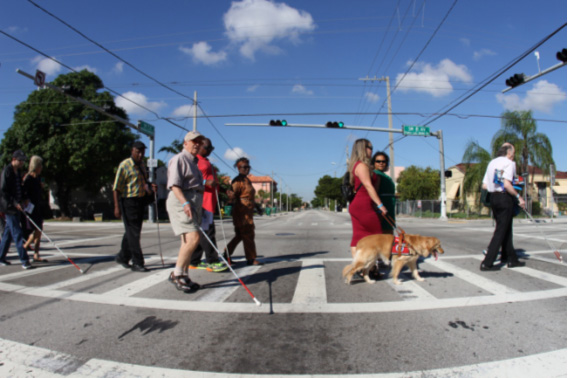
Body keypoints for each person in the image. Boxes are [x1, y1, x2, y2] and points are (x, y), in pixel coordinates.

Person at [165, 131, 205, 292]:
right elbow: (174, 185)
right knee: (194, 237)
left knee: (187, 241)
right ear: (185, 143)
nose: (197, 144)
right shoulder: (179, 159)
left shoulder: (194, 162)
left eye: (199, 142)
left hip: (193, 201)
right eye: (193, 141)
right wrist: (185, 203)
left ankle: (184, 274)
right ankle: (177, 274)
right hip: (182, 201)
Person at [480, 143, 526, 271]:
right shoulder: (509, 163)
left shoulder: (492, 163)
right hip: (505, 198)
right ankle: (487, 263)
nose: (514, 155)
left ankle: (511, 259)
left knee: (506, 229)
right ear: (509, 152)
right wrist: (519, 197)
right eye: (514, 152)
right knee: (501, 230)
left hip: (494, 198)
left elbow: (485, 185)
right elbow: (507, 184)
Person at [113, 141, 156, 273]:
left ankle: (122, 256)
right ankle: (138, 262)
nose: (140, 154)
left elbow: (144, 183)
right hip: (128, 202)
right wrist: (117, 207)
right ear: (132, 151)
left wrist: (150, 187)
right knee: (134, 234)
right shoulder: (125, 165)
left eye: (142, 151)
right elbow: (116, 188)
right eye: (138, 151)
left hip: (140, 201)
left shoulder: (142, 165)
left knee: (132, 232)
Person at [189, 138, 227, 273]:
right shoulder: (195, 160)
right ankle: (212, 261)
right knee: (209, 233)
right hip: (203, 202)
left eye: (211, 148)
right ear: (199, 147)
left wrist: (223, 189)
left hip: (210, 201)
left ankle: (194, 261)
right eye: (207, 148)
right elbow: (191, 179)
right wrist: (206, 182)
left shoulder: (206, 162)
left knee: (201, 233)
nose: (210, 151)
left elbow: (213, 181)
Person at [348, 139, 387, 259]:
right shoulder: (362, 165)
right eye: (370, 147)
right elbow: (368, 186)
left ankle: (358, 266)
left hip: (359, 205)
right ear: (362, 149)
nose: (372, 150)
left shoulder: (357, 165)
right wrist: (380, 204)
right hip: (363, 206)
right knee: (377, 235)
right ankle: (372, 266)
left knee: (358, 236)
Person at [224, 157, 263, 266]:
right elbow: (233, 195)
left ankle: (226, 254)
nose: (246, 169)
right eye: (243, 167)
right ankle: (251, 258)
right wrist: (230, 197)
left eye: (248, 167)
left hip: (248, 210)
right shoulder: (238, 181)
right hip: (241, 211)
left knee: (240, 235)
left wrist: (258, 207)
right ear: (238, 168)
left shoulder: (247, 179)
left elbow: (250, 197)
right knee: (248, 234)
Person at [0, 150, 33, 269]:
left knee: (8, 234)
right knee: (18, 233)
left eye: (23, 161)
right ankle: (24, 260)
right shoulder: (7, 171)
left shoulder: (17, 172)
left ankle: (1, 257)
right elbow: (3, 191)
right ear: (13, 159)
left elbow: (20, 187)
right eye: (20, 160)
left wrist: (24, 198)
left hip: (17, 206)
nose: (22, 163)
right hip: (9, 208)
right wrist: (14, 203)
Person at [22, 156, 47, 262]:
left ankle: (36, 253)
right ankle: (25, 246)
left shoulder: (37, 178)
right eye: (40, 165)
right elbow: (23, 192)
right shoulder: (28, 178)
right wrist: (26, 199)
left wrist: (40, 187)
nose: (41, 168)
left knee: (39, 231)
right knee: (37, 229)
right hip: (30, 208)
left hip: (38, 206)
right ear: (36, 166)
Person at [372, 151, 396, 235]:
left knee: (388, 233)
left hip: (388, 207)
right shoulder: (377, 174)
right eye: (378, 161)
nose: (381, 163)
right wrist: (378, 207)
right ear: (373, 163)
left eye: (383, 161)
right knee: (385, 235)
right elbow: (374, 191)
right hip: (382, 208)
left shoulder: (384, 175)